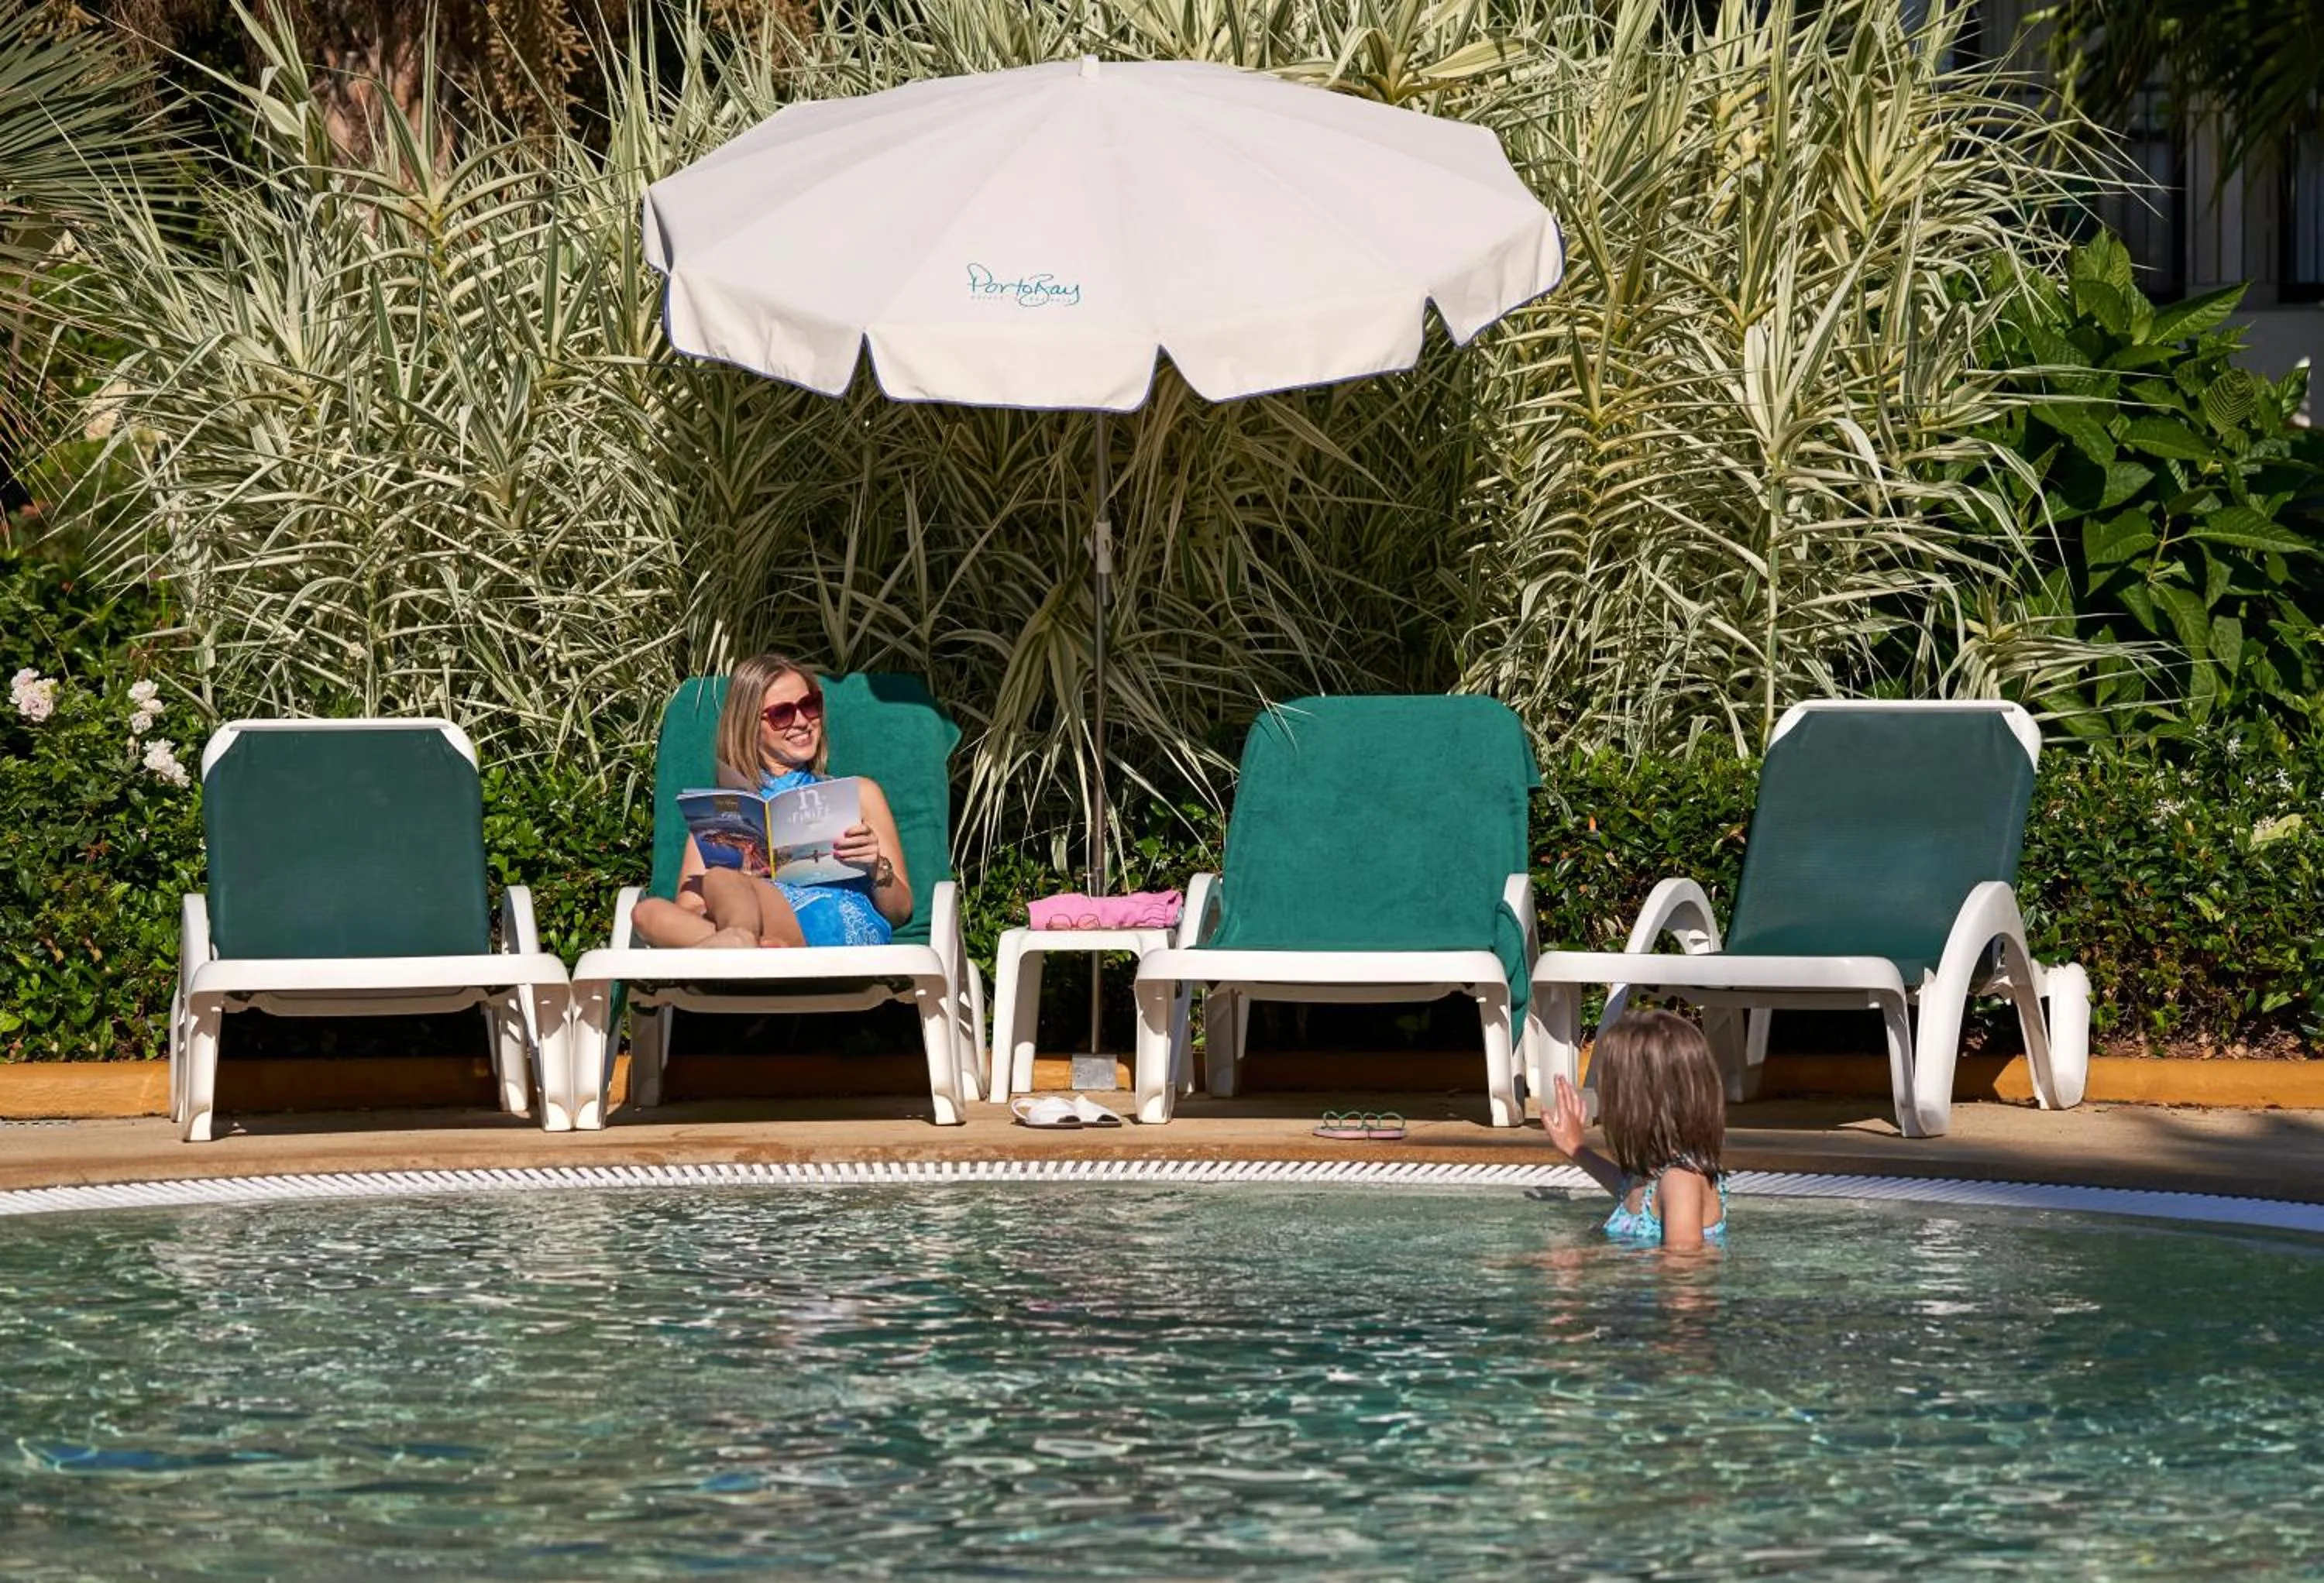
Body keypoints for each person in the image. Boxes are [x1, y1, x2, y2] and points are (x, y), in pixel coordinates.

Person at [631, 654, 912, 949]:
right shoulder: (723, 814)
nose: (803, 722)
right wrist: (741, 890)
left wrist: (876, 867)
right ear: (750, 725)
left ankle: (741, 947)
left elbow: (900, 912)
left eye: (809, 705)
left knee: (719, 879)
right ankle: (752, 946)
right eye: (782, 714)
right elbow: (688, 911)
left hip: (833, 926)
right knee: (646, 913)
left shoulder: (860, 793)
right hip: (765, 930)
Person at [1542, 1008, 1728, 1250]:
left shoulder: (1682, 1182)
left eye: (1609, 1088)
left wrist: (1591, 1265)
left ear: (1634, 1103)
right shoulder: (1658, 1174)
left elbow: (1683, 1275)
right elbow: (1630, 1192)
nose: (1602, 1095)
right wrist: (1576, 1149)